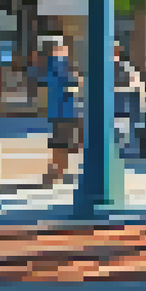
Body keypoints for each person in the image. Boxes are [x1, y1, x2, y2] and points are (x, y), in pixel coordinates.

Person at [40, 42, 82, 187]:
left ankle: (58, 172)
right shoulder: (60, 64)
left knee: (60, 143)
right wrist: (78, 79)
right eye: (64, 48)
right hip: (66, 111)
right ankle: (57, 172)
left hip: (57, 111)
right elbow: (72, 83)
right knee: (63, 144)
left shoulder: (50, 66)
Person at [113, 47, 144, 152]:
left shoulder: (126, 68)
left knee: (124, 136)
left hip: (123, 108)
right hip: (119, 108)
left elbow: (137, 85)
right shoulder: (126, 68)